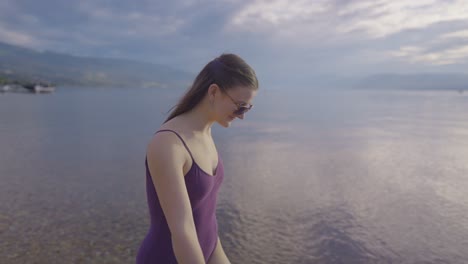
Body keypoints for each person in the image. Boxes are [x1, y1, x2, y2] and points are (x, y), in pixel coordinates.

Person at [136, 53, 259, 264]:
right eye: (240, 105)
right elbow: (183, 231)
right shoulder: (168, 144)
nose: (242, 115)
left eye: (247, 107)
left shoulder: (206, 134)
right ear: (213, 91)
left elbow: (206, 219)